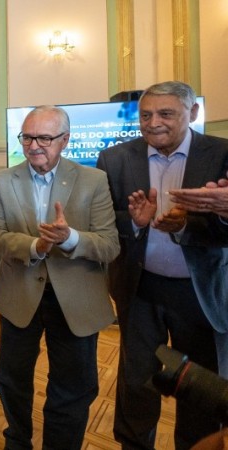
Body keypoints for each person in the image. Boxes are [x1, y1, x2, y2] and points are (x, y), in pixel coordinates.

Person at [97, 81, 228, 448]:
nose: (153, 123)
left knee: (198, 385)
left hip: (199, 293)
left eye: (166, 114)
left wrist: (186, 224)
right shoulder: (116, 158)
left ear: (193, 113)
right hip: (140, 289)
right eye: (146, 115)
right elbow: (105, 221)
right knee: (137, 381)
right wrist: (136, 222)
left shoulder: (221, 155)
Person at [0, 105, 119, 449]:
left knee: (73, 385)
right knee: (11, 380)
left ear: (65, 140)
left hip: (75, 300)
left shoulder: (94, 180)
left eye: (44, 138)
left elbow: (109, 245)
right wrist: (37, 245)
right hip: (19, 296)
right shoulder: (2, 181)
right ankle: (17, 439)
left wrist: (70, 239)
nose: (34, 146)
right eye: (27, 137)